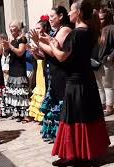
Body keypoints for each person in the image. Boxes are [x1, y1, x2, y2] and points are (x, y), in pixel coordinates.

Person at [46, 0, 110, 167]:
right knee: (87, 116)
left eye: (71, 10)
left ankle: (75, 155)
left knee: (74, 118)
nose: (68, 13)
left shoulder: (77, 33)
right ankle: (87, 153)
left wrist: (52, 45)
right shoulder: (89, 31)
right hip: (86, 79)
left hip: (76, 82)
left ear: (79, 13)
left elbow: (61, 57)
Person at [30, 6, 72, 143]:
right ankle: (57, 135)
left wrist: (39, 42)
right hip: (53, 72)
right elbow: (48, 54)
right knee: (53, 103)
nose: (50, 19)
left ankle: (63, 136)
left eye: (52, 16)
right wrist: (37, 49)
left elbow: (55, 52)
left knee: (60, 103)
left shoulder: (64, 29)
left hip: (61, 73)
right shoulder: (55, 31)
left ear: (60, 16)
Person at [3, 20, 30, 122]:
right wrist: (4, 47)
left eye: (13, 27)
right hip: (12, 68)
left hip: (19, 69)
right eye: (10, 28)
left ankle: (25, 115)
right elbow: (6, 55)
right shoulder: (12, 40)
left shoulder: (22, 39)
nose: (11, 29)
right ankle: (18, 113)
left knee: (21, 92)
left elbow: (20, 52)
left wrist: (10, 46)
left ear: (18, 28)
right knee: (14, 92)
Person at [27, 17, 51, 123]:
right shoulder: (37, 40)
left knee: (45, 90)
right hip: (39, 66)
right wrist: (34, 53)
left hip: (47, 66)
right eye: (35, 28)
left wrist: (38, 51)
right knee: (38, 89)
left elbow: (48, 55)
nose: (36, 30)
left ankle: (45, 115)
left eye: (38, 28)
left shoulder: (45, 38)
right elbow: (39, 58)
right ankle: (38, 115)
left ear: (44, 28)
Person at [95, 7, 114, 116]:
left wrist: (110, 57)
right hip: (97, 63)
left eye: (102, 18)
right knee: (99, 86)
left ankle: (109, 108)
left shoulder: (111, 28)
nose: (100, 20)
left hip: (106, 62)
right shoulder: (98, 29)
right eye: (98, 18)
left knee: (108, 86)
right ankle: (102, 105)